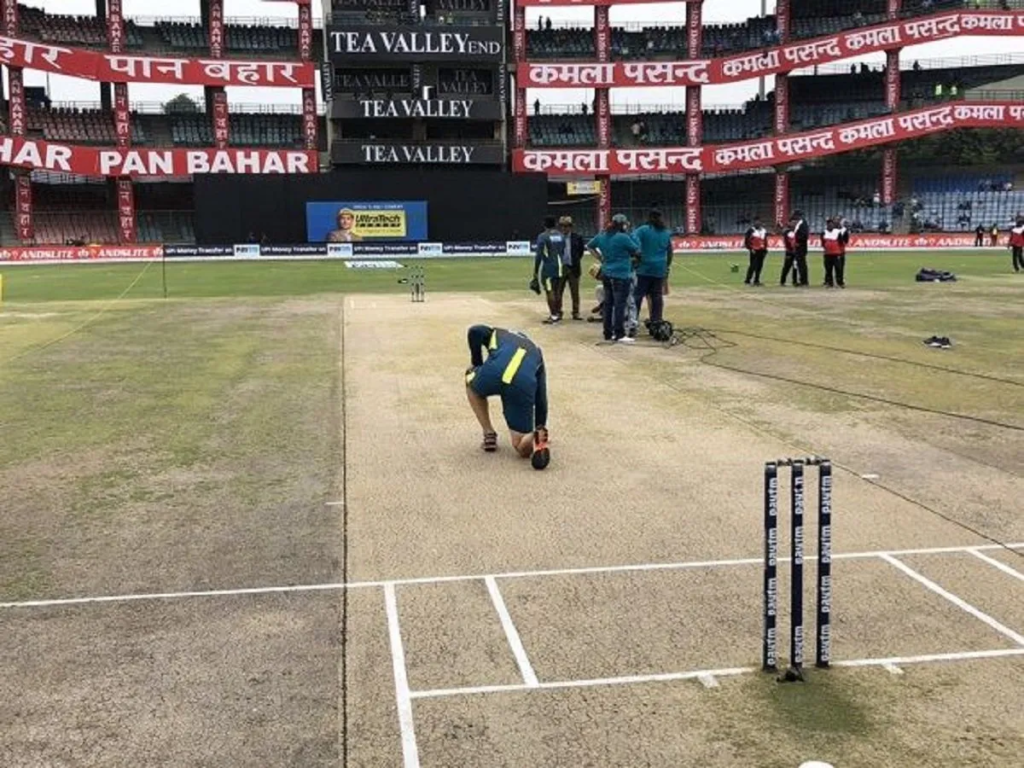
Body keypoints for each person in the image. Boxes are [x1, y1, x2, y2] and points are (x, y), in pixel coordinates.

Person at [464, 324, 550, 470]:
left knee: (470, 383)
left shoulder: (497, 333)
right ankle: (532, 436)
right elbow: (541, 398)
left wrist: (476, 363)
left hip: (494, 372)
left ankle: (488, 432)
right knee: (520, 446)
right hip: (521, 383)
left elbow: (474, 330)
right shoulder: (536, 352)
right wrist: (540, 424)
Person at [587, 214, 640, 343]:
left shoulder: (602, 236)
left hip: (606, 273)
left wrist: (600, 258)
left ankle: (607, 333)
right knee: (619, 305)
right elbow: (637, 251)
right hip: (621, 275)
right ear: (622, 225)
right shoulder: (623, 237)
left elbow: (589, 246)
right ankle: (619, 334)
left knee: (608, 305)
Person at [632, 209, 673, 324]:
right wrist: (667, 266)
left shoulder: (643, 230)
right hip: (659, 269)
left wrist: (636, 258)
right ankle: (657, 320)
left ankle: (633, 320)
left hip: (644, 268)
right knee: (657, 296)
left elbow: (633, 241)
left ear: (649, 218)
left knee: (638, 296)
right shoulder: (666, 232)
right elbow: (670, 252)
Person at [534, 216, 566, 323]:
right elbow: (563, 250)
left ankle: (554, 316)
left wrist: (535, 271)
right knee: (557, 291)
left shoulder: (543, 236)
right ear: (555, 224)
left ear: (544, 225)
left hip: (549, 267)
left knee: (549, 291)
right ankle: (558, 313)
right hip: (561, 266)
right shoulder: (561, 236)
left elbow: (539, 254)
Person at [556, 215, 585, 320]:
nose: (564, 228)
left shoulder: (577, 237)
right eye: (562, 226)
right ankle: (558, 312)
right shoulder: (556, 238)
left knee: (575, 292)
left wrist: (574, 261)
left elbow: (580, 252)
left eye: (567, 226)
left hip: (574, 268)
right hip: (560, 268)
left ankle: (576, 312)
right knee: (558, 291)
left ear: (571, 226)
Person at [743, 216, 769, 286]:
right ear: (754, 222)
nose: (758, 223)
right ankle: (748, 280)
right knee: (753, 265)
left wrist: (765, 249)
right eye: (756, 221)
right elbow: (746, 241)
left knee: (760, 266)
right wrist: (751, 248)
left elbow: (765, 240)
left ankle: (756, 280)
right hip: (754, 250)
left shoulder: (763, 230)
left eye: (759, 221)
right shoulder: (751, 230)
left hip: (762, 250)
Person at [822, 218, 844, 288]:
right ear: (827, 225)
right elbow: (823, 243)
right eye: (829, 224)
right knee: (828, 269)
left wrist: (841, 252)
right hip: (827, 254)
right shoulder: (824, 232)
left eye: (831, 224)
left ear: (833, 225)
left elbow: (841, 242)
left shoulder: (837, 232)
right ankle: (829, 283)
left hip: (836, 254)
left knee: (838, 269)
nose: (830, 225)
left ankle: (839, 283)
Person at [780, 221, 800, 286]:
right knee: (786, 267)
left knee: (795, 267)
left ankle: (794, 281)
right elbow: (788, 242)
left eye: (795, 223)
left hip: (795, 252)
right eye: (792, 223)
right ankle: (782, 281)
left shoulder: (796, 232)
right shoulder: (787, 232)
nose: (794, 224)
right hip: (789, 252)